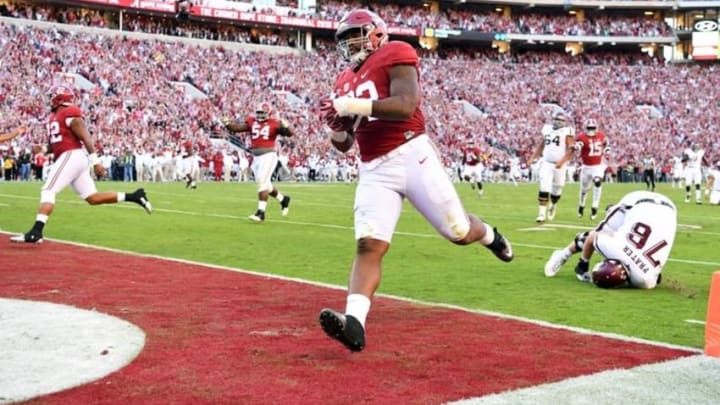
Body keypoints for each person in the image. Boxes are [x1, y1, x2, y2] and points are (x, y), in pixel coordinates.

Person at [316, 9, 513, 352]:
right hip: (373, 167)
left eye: (354, 35)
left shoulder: (396, 52)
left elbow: (406, 105)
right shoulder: (343, 79)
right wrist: (335, 125)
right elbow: (345, 143)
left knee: (458, 232)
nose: (349, 44)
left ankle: (489, 235)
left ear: (376, 33)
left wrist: (352, 105)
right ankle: (355, 324)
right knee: (368, 244)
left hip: (411, 154)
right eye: (344, 39)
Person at [10, 85, 152, 244]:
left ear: (59, 99)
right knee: (92, 198)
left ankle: (36, 232)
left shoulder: (70, 113)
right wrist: (43, 148)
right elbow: (56, 144)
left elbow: (86, 138)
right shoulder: (56, 117)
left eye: (53, 97)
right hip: (71, 157)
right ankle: (134, 196)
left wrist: (96, 162)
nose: (50, 100)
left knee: (48, 190)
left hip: (72, 156)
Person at [544, 190, 676, 289]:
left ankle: (563, 254)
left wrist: (583, 264)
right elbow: (592, 239)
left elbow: (592, 238)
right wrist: (583, 265)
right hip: (639, 202)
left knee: (601, 233)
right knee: (601, 234)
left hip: (668, 211)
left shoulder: (645, 281)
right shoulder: (642, 279)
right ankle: (563, 255)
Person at [222, 102, 293, 221]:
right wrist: (227, 123)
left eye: (262, 113)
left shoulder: (274, 123)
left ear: (268, 113)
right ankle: (283, 199)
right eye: (258, 112)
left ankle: (261, 213)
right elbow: (237, 129)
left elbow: (289, 134)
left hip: (268, 156)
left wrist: (287, 126)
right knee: (266, 185)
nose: (260, 115)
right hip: (256, 157)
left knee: (261, 181)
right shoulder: (251, 121)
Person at [529, 111, 575, 222]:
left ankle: (553, 205)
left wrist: (562, 161)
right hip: (546, 162)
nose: (558, 122)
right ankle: (541, 214)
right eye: (557, 120)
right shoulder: (547, 129)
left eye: (561, 121)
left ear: (565, 122)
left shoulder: (567, 132)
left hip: (560, 164)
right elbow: (542, 144)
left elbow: (571, 149)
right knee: (544, 187)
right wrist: (533, 156)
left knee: (557, 189)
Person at [574, 119, 608, 220]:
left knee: (597, 182)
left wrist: (607, 148)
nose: (591, 130)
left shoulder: (601, 136)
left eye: (592, 128)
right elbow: (579, 144)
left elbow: (606, 142)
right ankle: (581, 205)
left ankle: (594, 207)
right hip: (586, 166)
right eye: (589, 128)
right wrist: (577, 147)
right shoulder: (581, 137)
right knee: (584, 190)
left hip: (597, 166)